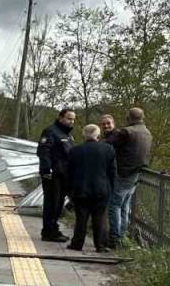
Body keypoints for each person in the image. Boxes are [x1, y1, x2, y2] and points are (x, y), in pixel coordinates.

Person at [103, 107, 153, 246]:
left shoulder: (127, 131)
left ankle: (115, 237)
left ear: (128, 117)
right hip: (137, 173)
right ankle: (122, 234)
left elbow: (108, 144)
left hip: (124, 172)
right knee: (125, 205)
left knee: (114, 205)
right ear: (142, 117)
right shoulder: (147, 132)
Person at [67, 124, 117, 252]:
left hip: (80, 189)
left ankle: (77, 244)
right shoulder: (108, 149)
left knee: (81, 218)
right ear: (98, 135)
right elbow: (112, 172)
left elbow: (70, 172)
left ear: (84, 135)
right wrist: (110, 188)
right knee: (100, 218)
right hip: (101, 189)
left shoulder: (75, 150)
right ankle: (100, 245)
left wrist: (70, 190)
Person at [37, 109, 77, 242]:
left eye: (73, 119)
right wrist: (46, 170)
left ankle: (53, 229)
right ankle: (48, 232)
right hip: (53, 174)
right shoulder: (51, 131)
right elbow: (43, 151)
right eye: (69, 118)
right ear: (60, 118)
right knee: (52, 203)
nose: (71, 121)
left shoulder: (68, 135)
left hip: (64, 174)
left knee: (59, 203)